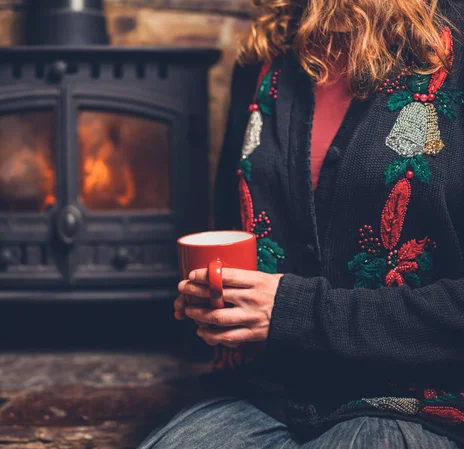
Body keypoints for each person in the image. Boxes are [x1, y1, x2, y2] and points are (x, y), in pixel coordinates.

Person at [139, 0, 464, 447]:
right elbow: (234, 230)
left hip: (417, 402)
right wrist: (214, 308)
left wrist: (294, 313)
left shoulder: (456, 43)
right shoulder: (265, 53)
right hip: (269, 393)